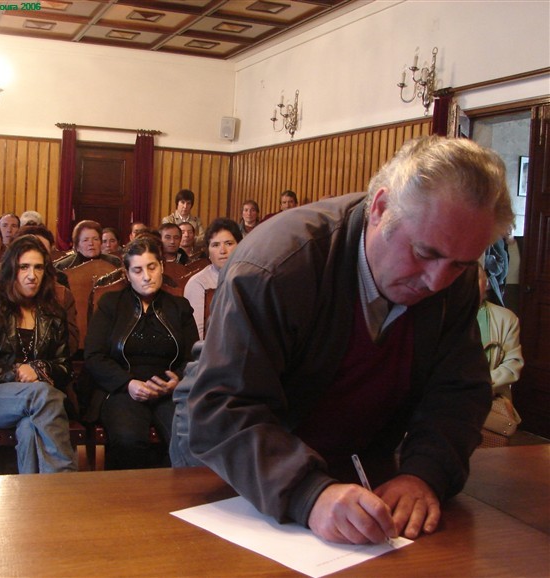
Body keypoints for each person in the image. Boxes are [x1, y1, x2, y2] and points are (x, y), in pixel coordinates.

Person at [174, 136, 514, 545]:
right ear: (381, 208)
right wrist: (307, 492)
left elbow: (457, 393)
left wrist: (423, 473)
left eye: (460, 264)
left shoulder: (449, 277)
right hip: (235, 460)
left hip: (348, 467)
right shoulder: (276, 266)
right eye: (424, 252)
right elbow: (222, 406)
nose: (436, 280)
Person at [0, 235, 77, 474]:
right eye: (24, 267)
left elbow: (65, 367)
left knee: (30, 429)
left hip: (40, 401)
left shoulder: (53, 312)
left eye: (39, 267)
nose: (32, 275)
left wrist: (38, 370)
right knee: (41, 394)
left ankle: (31, 502)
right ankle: (66, 483)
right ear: (11, 270)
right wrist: (16, 373)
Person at [84, 238, 198, 470]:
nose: (146, 276)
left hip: (168, 391)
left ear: (161, 267)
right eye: (138, 270)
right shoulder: (111, 303)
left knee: (186, 437)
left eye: (152, 267)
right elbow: (94, 356)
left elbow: (193, 357)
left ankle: (174, 499)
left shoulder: (180, 306)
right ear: (127, 274)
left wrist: (177, 380)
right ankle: (131, 502)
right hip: (122, 389)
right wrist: (128, 384)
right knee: (129, 439)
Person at [183, 218, 242, 339]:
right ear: (208, 252)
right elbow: (197, 337)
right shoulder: (198, 283)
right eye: (215, 245)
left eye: (229, 243)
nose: (222, 251)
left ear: (240, 246)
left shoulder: (253, 278)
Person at [477, 264, 524, 401]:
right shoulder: (444, 316)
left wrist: (481, 384)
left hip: (491, 398)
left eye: (476, 280)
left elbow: (512, 364)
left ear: (485, 283)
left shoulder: (506, 318)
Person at [55, 220, 121, 270]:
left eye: (95, 239)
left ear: (100, 242)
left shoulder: (114, 262)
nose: (91, 243)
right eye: (85, 240)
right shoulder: (63, 266)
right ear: (77, 245)